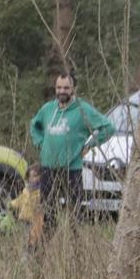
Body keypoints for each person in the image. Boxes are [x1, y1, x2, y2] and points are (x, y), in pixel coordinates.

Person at [29, 71, 114, 233]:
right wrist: (40, 142)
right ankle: (42, 249)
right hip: (48, 168)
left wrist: (89, 145)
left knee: (75, 214)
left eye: (66, 88)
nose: (62, 91)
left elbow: (108, 127)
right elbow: (34, 125)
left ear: (73, 89)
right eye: (58, 87)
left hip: (72, 169)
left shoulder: (82, 109)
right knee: (47, 212)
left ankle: (76, 249)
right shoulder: (48, 109)